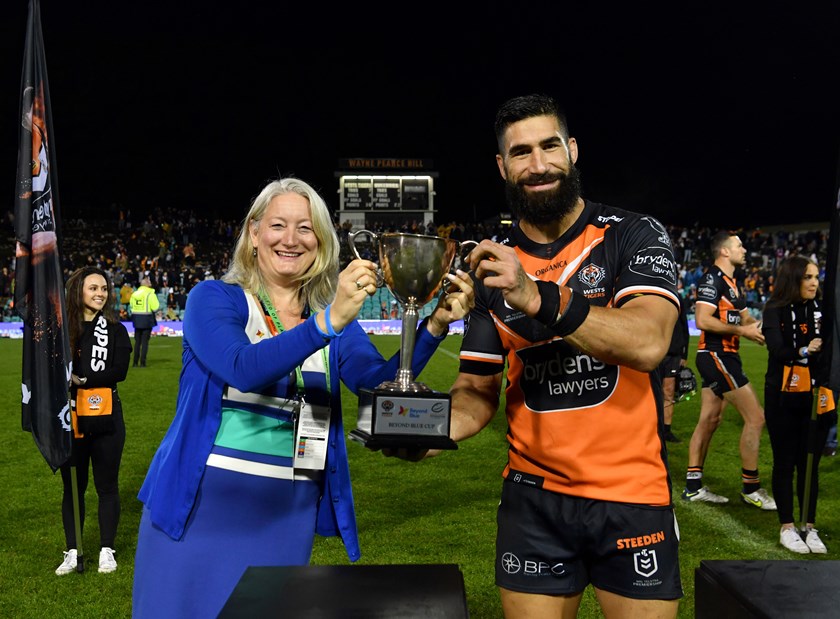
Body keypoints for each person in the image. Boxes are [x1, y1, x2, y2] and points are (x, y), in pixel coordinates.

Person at [131, 177, 474, 619]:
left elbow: (377, 382)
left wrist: (434, 326)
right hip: (198, 512)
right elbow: (243, 368)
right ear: (254, 234)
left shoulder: (333, 321)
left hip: (285, 517)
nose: (290, 239)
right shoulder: (215, 299)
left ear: (322, 242)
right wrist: (327, 322)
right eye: (278, 225)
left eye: (305, 228)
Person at [397, 94, 683, 617]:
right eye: (521, 152)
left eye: (550, 146)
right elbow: (477, 391)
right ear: (503, 166)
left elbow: (647, 343)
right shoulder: (491, 265)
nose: (538, 164)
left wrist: (535, 296)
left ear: (572, 151)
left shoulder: (634, 235)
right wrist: (425, 430)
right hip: (534, 501)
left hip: (632, 495)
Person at [682, 231, 776, 509]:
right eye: (739, 245)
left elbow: (748, 318)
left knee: (709, 420)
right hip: (716, 355)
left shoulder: (733, 284)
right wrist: (741, 330)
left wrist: (769, 332)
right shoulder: (711, 279)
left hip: (722, 356)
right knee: (756, 418)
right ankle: (751, 488)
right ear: (724, 251)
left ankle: (693, 487)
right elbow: (702, 320)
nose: (744, 250)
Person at [55, 267, 131, 575]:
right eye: (93, 288)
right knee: (73, 487)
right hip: (69, 419)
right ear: (78, 291)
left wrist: (83, 380)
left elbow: (120, 371)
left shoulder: (114, 329)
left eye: (104, 288)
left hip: (106, 419)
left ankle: (106, 550)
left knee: (107, 486)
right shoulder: (61, 331)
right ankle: (73, 550)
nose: (100, 293)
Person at [761, 256, 834, 553]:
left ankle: (809, 526)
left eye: (816, 277)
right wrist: (806, 349)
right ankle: (788, 526)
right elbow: (778, 350)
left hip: (818, 394)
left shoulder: (824, 310)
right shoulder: (774, 309)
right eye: (808, 277)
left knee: (810, 465)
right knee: (785, 462)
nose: (814, 282)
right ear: (793, 279)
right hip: (783, 396)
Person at [659, 294, 691, 443]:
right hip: (654, 351)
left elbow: (685, 327)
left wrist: (684, 354)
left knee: (669, 392)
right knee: (650, 393)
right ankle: (651, 428)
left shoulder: (677, 298)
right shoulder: (651, 294)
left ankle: (666, 430)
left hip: (673, 353)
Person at [129, 275, 159, 367]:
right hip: (146, 319)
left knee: (137, 342)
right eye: (149, 282)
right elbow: (155, 307)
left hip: (136, 319)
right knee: (145, 342)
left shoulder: (134, 294)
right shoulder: (150, 294)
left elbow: (131, 307)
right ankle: (142, 362)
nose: (150, 283)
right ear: (146, 284)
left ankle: (134, 362)